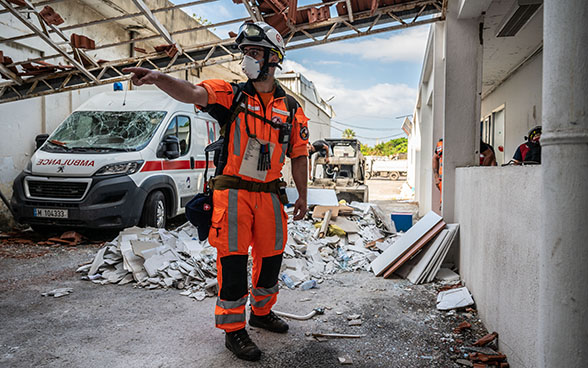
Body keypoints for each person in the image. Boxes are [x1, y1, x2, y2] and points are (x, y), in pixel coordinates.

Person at [122, 21, 309, 362]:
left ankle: (262, 313)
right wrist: (159, 78)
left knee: (272, 258)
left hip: (270, 195)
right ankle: (234, 330)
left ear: (273, 58)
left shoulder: (292, 109)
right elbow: (192, 92)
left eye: (254, 53)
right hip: (233, 195)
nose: (246, 60)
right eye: (245, 53)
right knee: (234, 262)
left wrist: (303, 196)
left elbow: (299, 154)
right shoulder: (232, 94)